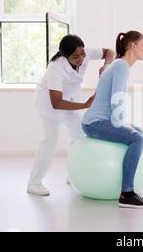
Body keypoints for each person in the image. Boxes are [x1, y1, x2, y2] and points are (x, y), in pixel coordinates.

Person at [27, 34, 115, 196]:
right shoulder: (56, 68)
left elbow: (110, 51)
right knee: (50, 140)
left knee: (80, 135)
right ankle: (34, 182)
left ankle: (73, 173)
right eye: (75, 56)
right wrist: (85, 105)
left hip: (71, 97)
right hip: (49, 103)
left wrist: (107, 65)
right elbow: (57, 103)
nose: (81, 58)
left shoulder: (85, 53)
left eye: (82, 54)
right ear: (65, 56)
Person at [81, 31, 143, 209]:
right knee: (137, 138)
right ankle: (127, 193)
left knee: (137, 131)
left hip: (97, 120)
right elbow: (117, 99)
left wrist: (127, 125)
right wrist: (125, 127)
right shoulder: (121, 66)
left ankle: (127, 186)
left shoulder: (118, 65)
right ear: (132, 46)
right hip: (95, 123)